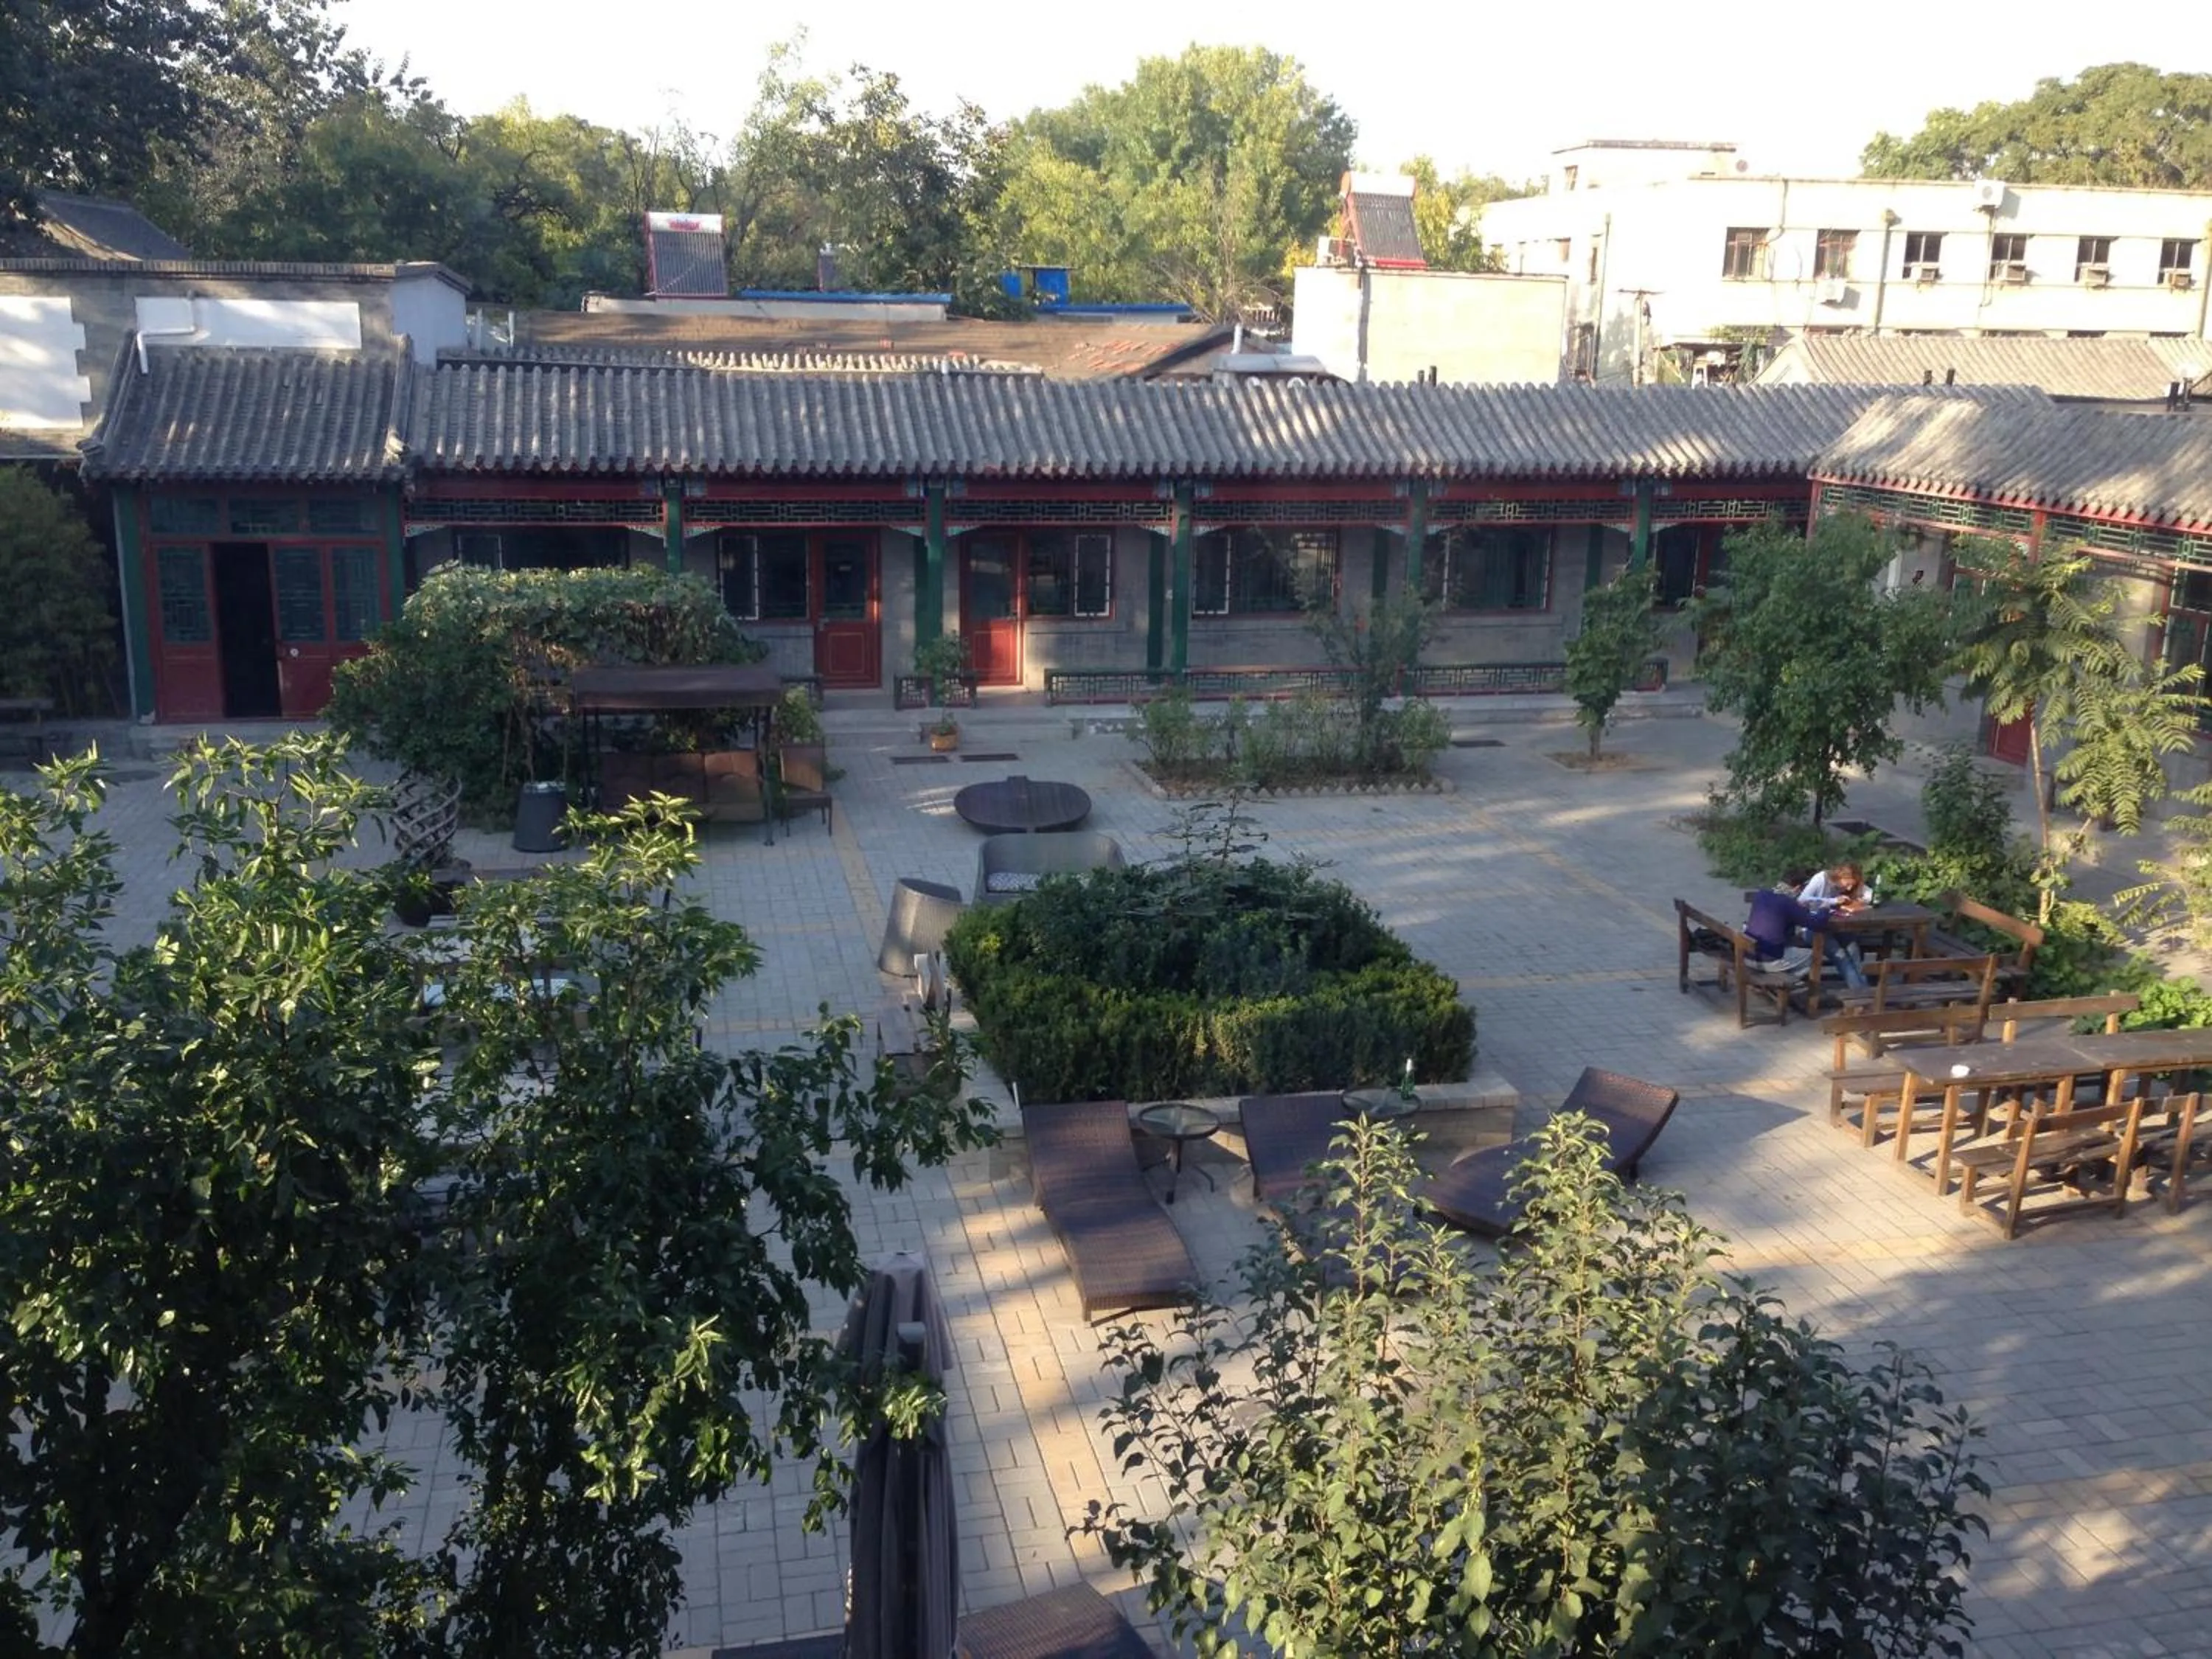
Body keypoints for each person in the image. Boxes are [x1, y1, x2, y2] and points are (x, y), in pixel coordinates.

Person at [1745, 885, 1868, 990]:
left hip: (1748, 955)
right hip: (1767, 961)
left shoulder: (1762, 894)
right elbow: (1817, 924)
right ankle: (1787, 983)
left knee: (1795, 949)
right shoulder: (1788, 903)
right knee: (1813, 956)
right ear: (1797, 888)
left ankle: (1784, 979)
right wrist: (1825, 908)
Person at [1800, 860, 1871, 911]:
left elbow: (1868, 892)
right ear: (1841, 876)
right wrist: (1833, 901)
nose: (1849, 888)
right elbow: (1802, 899)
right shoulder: (1820, 879)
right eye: (1848, 884)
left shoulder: (1842, 886)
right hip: (1813, 918)